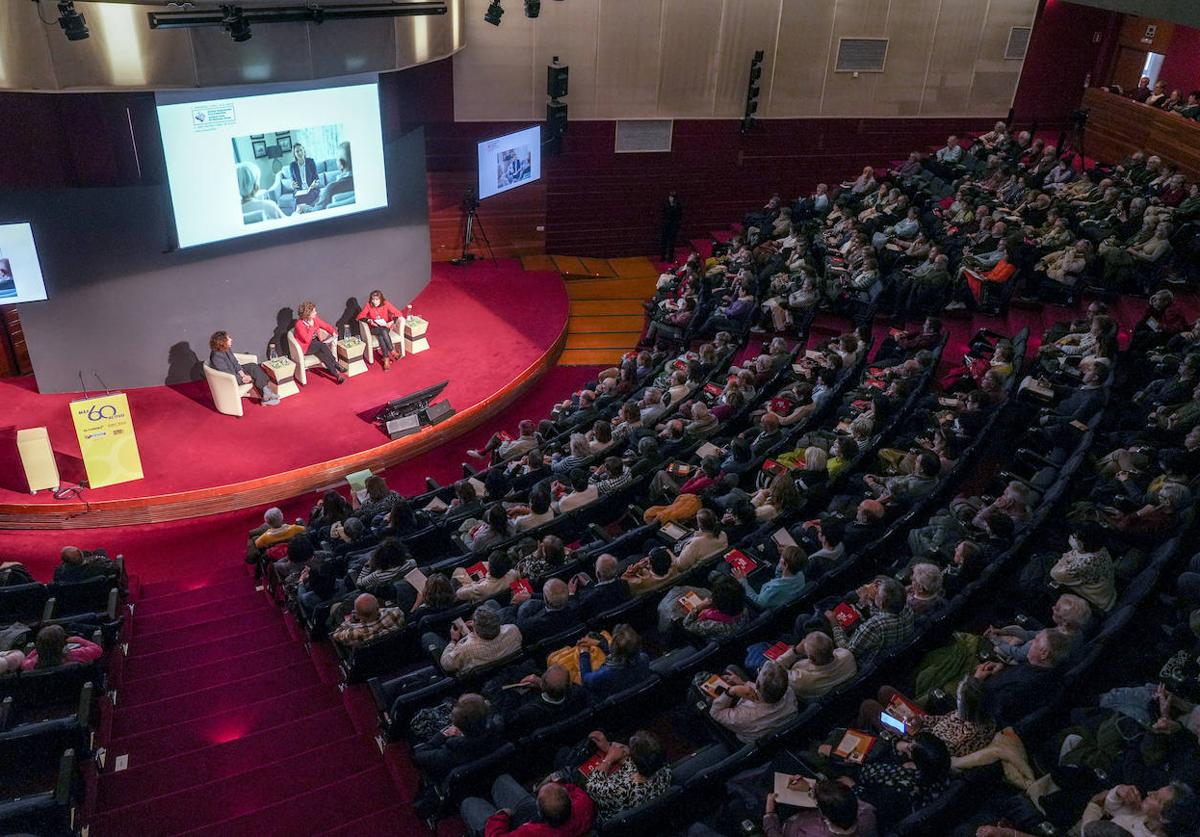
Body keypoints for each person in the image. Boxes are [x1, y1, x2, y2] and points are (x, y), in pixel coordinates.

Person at [460, 774, 595, 837]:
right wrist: (554, 787)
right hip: (533, 818)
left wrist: (501, 816)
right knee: (502, 781)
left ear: (540, 811)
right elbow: (571, 789)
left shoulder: (531, 833)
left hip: (507, 824)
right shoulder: (584, 805)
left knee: (469, 803)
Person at [580, 729, 672, 820]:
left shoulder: (620, 791)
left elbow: (591, 786)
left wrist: (608, 759)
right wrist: (609, 747)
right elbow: (641, 762)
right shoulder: (663, 767)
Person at [708, 660, 799, 744]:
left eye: (759, 670)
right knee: (732, 669)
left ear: (758, 683)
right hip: (777, 728)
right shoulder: (789, 691)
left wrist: (732, 691)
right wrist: (743, 684)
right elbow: (767, 689)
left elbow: (715, 713)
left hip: (748, 735)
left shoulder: (741, 717)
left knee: (707, 696)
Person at [763, 777, 877, 837]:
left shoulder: (812, 833)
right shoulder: (867, 813)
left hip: (786, 823)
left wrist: (769, 814)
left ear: (822, 812)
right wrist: (810, 790)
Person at [434, 605, 523, 675]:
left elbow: (446, 664)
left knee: (428, 637)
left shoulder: (465, 649)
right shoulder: (514, 630)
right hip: (508, 670)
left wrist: (453, 640)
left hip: (480, 682)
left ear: (476, 628)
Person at [578, 623, 652, 698]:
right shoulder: (644, 658)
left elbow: (585, 678)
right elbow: (624, 655)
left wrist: (583, 652)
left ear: (613, 647)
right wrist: (599, 643)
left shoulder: (602, 676)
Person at [207, 331, 279, 405]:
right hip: (231, 379)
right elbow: (227, 374)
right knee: (255, 376)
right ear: (222, 341)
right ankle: (266, 397)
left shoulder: (226, 349)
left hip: (235, 372)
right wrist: (242, 378)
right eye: (228, 338)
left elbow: (235, 362)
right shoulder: (216, 357)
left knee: (253, 366)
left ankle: (266, 394)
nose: (231, 339)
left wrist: (242, 373)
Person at [293, 300, 346, 383]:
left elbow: (325, 325)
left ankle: (337, 376)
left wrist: (333, 332)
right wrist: (311, 327)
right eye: (314, 311)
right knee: (321, 345)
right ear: (308, 313)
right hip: (306, 347)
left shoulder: (315, 319)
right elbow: (306, 339)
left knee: (323, 356)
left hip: (316, 344)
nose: (316, 313)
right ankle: (336, 363)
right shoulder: (299, 324)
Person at [330, 593, 405, 648]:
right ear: (378, 606)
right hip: (396, 648)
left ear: (358, 614)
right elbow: (383, 611)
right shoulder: (396, 613)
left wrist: (351, 620)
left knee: (335, 607)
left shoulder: (356, 634)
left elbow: (336, 634)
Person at [301, 140, 354, 212]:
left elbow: (317, 212)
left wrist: (305, 208)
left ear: (341, 164)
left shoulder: (330, 189)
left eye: (336, 160)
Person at [356, 289, 403, 370]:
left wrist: (391, 322)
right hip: (374, 328)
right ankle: (393, 351)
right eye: (373, 299)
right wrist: (369, 321)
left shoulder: (386, 304)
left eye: (377, 299)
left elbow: (398, 313)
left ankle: (386, 360)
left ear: (381, 299)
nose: (374, 301)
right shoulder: (368, 305)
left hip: (385, 326)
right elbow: (359, 317)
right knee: (383, 332)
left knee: (382, 335)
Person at [21, 624, 103, 670]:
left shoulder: (30, 664)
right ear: (63, 644)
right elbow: (98, 650)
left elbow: (24, 662)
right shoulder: (74, 655)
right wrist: (77, 639)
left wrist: (42, 646)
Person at [287, 143, 320, 210]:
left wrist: (316, 184)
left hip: (311, 189)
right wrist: (292, 185)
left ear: (304, 151)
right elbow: (292, 180)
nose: (299, 153)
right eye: (297, 151)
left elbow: (316, 178)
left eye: (301, 150)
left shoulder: (310, 161)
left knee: (308, 197)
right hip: (299, 191)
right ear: (294, 154)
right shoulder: (292, 165)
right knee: (297, 200)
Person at [661, 192, 683, 263]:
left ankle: (670, 257)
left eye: (672, 197)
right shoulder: (665, 204)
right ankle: (663, 256)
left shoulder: (677, 205)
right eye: (670, 197)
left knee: (671, 243)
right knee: (664, 242)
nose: (671, 198)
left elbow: (679, 215)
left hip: (673, 226)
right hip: (666, 226)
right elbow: (663, 214)